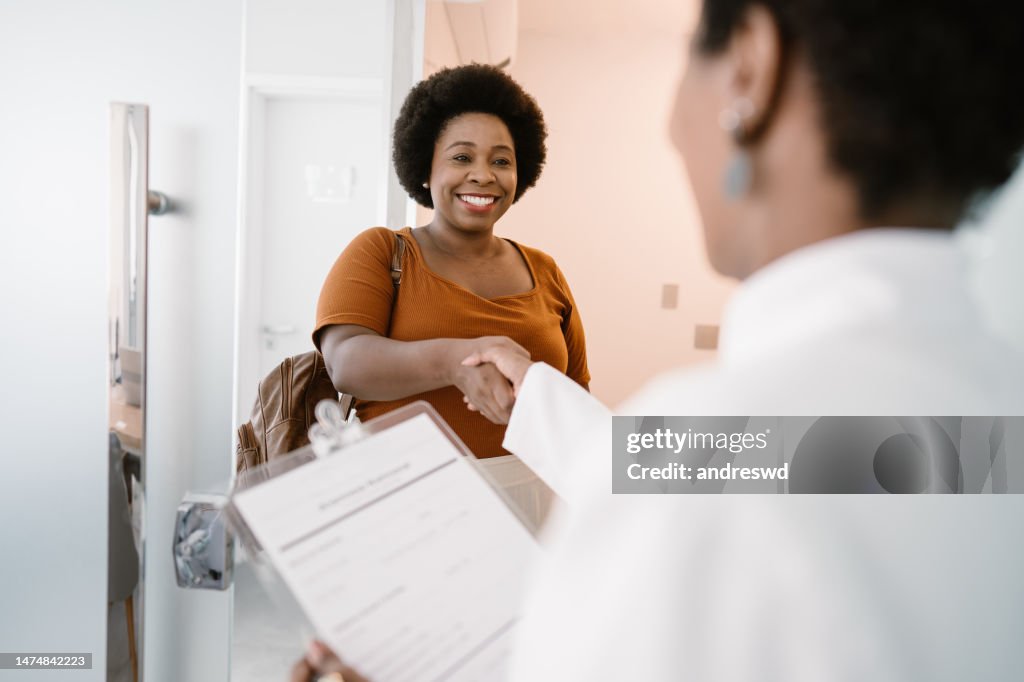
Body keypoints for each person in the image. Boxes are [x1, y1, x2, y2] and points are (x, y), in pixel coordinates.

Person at [296, 0, 1024, 679]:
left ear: (750, 65)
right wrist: (532, 394)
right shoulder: (989, 428)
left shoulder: (687, 515)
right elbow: (792, 456)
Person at [313, 64, 589, 525]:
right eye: (462, 158)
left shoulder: (545, 271)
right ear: (425, 167)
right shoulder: (382, 252)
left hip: (532, 510)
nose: (483, 175)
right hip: (407, 508)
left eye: (501, 161)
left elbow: (575, 393)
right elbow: (346, 364)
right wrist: (459, 361)